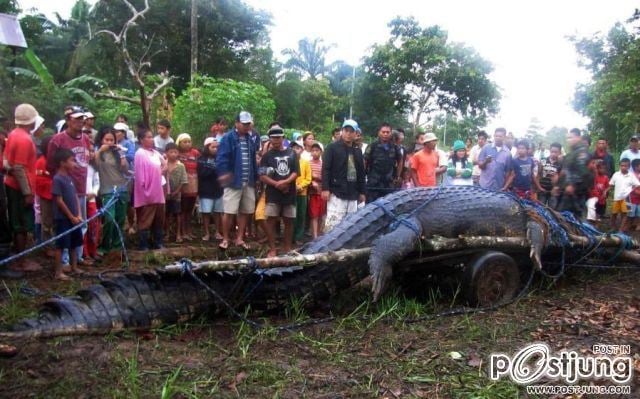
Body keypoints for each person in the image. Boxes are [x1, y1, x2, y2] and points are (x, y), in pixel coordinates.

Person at [47, 106, 94, 267]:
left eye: (82, 119)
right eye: (76, 119)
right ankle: (65, 261)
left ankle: (78, 258)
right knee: (65, 224)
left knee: (81, 223)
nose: (80, 122)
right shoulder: (58, 140)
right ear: (68, 120)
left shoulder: (85, 139)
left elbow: (88, 159)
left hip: (81, 186)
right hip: (64, 187)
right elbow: (50, 164)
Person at [4, 104, 42, 272]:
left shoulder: (13, 134)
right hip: (19, 187)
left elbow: (7, 162)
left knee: (18, 221)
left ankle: (20, 257)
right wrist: (27, 192)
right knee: (20, 223)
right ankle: (21, 260)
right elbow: (19, 168)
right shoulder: (24, 139)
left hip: (13, 184)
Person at [216, 111, 259, 250]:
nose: (247, 127)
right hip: (234, 181)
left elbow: (253, 159)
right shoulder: (228, 138)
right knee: (229, 211)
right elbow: (222, 158)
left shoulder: (250, 139)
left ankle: (239, 238)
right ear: (237, 123)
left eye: (248, 124)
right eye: (244, 124)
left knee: (246, 211)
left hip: (248, 180)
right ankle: (225, 238)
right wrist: (224, 174)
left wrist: (256, 178)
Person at [259, 126, 299, 257]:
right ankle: (273, 248)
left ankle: (287, 247)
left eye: (278, 138)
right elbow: (262, 175)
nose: (275, 140)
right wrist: (277, 184)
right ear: (269, 139)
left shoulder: (292, 153)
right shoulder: (266, 156)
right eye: (273, 138)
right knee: (271, 220)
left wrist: (286, 182)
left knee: (289, 220)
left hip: (289, 192)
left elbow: (295, 172)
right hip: (273, 193)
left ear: (283, 138)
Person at [322, 119, 366, 232]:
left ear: (356, 134)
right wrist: (325, 188)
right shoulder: (332, 148)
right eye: (346, 130)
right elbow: (326, 168)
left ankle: (346, 249)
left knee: (350, 227)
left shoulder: (358, 151)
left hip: (353, 193)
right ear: (342, 131)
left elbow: (361, 173)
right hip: (336, 193)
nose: (348, 133)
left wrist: (362, 192)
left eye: (351, 131)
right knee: (333, 226)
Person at [94, 127, 129, 260]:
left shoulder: (117, 152)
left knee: (120, 219)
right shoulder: (99, 153)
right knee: (109, 218)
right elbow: (95, 165)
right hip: (106, 189)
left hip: (121, 188)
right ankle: (104, 246)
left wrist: (122, 156)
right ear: (101, 140)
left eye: (112, 140)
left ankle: (117, 246)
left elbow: (125, 170)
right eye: (106, 139)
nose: (109, 142)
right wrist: (99, 151)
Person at [51, 148, 86, 280]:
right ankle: (58, 272)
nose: (75, 163)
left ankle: (74, 267)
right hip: (63, 219)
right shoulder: (57, 179)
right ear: (62, 163)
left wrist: (78, 214)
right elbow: (59, 201)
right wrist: (70, 216)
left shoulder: (69, 178)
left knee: (74, 243)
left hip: (74, 218)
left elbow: (75, 196)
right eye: (72, 161)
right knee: (61, 245)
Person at [133, 130, 167, 250]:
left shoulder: (156, 153)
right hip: (147, 191)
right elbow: (140, 175)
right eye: (148, 137)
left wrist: (159, 172)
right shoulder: (140, 153)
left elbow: (164, 165)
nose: (151, 139)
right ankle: (143, 244)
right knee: (146, 218)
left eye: (152, 137)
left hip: (158, 190)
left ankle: (158, 242)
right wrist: (145, 190)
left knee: (159, 217)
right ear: (142, 140)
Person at [554, 128, 592, 218]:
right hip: (566, 191)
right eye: (567, 138)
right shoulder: (571, 153)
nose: (568, 140)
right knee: (561, 215)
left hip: (577, 192)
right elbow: (565, 171)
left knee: (575, 217)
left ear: (578, 138)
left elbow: (582, 171)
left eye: (571, 138)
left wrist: (572, 185)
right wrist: (558, 185)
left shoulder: (581, 152)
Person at [364, 122, 403, 202]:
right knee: (371, 208)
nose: (385, 134)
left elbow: (400, 160)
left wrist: (398, 176)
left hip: (389, 184)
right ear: (379, 132)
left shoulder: (395, 147)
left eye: (387, 132)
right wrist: (363, 176)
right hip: (373, 183)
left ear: (391, 133)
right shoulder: (372, 146)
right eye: (383, 132)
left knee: (388, 208)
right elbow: (365, 161)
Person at [197, 137, 223, 242]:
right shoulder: (201, 159)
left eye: (217, 147)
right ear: (207, 147)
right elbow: (201, 174)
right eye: (213, 147)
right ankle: (206, 233)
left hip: (218, 189)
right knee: (206, 212)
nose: (215, 149)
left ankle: (217, 232)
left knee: (217, 212)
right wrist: (211, 168)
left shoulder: (221, 159)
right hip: (206, 190)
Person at [175, 133, 200, 240]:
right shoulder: (177, 154)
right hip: (183, 184)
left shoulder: (195, 153)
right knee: (182, 209)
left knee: (190, 209)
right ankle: (182, 232)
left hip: (194, 183)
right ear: (179, 143)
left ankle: (189, 231)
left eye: (189, 141)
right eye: (184, 142)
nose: (187, 144)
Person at [35, 136, 54, 256]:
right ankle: (46, 246)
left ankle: (53, 245)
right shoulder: (41, 161)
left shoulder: (54, 161)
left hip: (56, 195)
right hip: (46, 195)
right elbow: (38, 180)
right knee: (46, 221)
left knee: (54, 221)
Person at [165, 143, 188, 243]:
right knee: (167, 214)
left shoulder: (181, 166)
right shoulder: (163, 164)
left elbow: (184, 181)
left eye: (175, 152)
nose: (173, 154)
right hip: (165, 194)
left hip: (177, 195)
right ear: (166, 153)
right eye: (171, 152)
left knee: (177, 213)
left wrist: (177, 191)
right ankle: (167, 233)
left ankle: (178, 234)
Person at [609, 158, 640, 232]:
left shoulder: (631, 176)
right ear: (620, 166)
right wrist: (606, 191)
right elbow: (611, 184)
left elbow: (637, 184)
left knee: (625, 214)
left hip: (627, 198)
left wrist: (633, 189)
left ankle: (621, 229)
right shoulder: (616, 174)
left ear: (629, 167)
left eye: (626, 166)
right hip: (617, 197)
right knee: (614, 213)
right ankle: (613, 227)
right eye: (622, 165)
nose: (624, 167)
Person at [290, 141, 311, 243]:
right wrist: (293, 185)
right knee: (291, 215)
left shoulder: (306, 163)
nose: (295, 150)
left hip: (302, 193)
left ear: (302, 150)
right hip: (291, 192)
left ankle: (298, 237)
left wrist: (301, 186)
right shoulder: (289, 161)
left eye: (298, 148)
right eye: (294, 148)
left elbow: (308, 178)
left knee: (301, 215)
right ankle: (290, 236)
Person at [308, 142, 325, 239]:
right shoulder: (308, 163)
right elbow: (306, 176)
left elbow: (325, 177)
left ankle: (318, 235)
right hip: (312, 193)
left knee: (320, 214)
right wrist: (312, 180)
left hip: (321, 192)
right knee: (314, 215)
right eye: (313, 151)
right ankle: (314, 236)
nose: (315, 153)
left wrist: (316, 176)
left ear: (321, 152)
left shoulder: (323, 164)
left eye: (317, 150)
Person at [538, 143, 563, 208]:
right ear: (549, 150)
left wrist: (557, 187)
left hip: (553, 192)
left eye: (556, 152)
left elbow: (562, 177)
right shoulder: (543, 160)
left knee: (552, 211)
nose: (553, 154)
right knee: (540, 210)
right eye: (552, 151)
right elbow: (539, 174)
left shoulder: (561, 163)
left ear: (560, 152)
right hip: (542, 190)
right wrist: (539, 187)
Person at [627, 159, 640, 231]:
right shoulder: (631, 176)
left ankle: (637, 224)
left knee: (639, 213)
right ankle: (629, 224)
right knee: (631, 213)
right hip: (633, 198)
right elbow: (631, 187)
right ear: (635, 167)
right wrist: (637, 192)